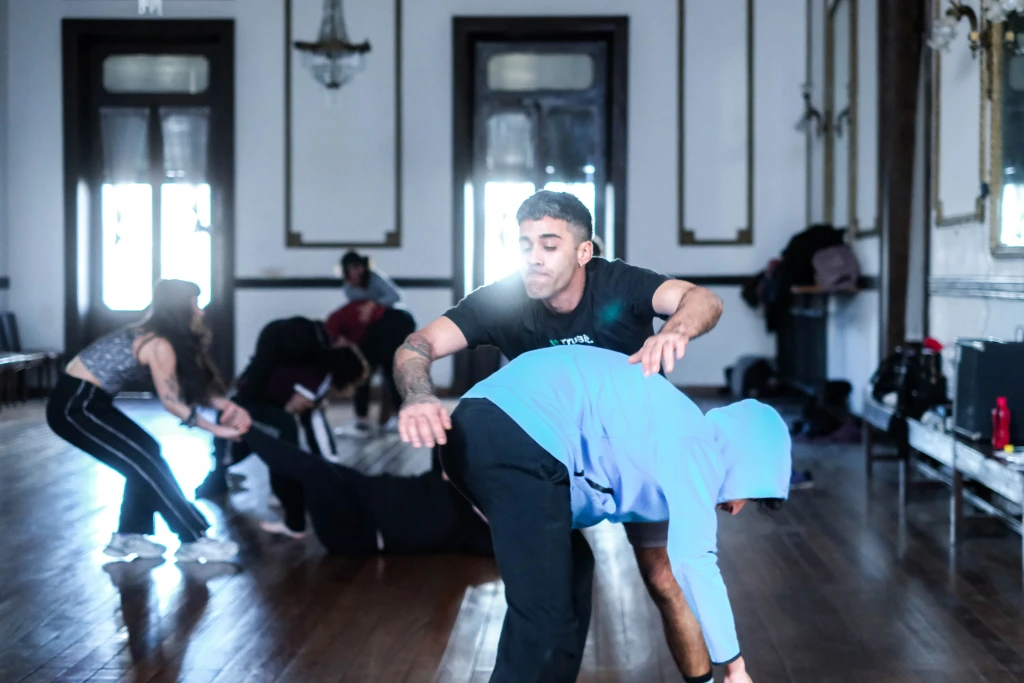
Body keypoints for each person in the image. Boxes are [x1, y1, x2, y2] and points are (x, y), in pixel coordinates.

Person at [394, 190, 725, 679]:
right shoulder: (503, 300)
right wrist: (420, 395)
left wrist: (675, 330)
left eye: (549, 244)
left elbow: (704, 299)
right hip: (556, 458)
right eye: (525, 243)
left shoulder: (618, 283)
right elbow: (416, 344)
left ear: (583, 251)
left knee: (663, 577)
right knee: (558, 579)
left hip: (634, 453)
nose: (534, 257)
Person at [439, 345, 791, 683]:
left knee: (573, 568)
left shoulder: (675, 431)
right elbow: (695, 562)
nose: (736, 509)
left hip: (487, 431)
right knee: (544, 612)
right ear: (746, 461)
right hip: (509, 431)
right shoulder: (694, 445)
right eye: (752, 494)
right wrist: (734, 668)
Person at [46, 279, 250, 563]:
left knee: (146, 454)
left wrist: (224, 405)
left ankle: (128, 536)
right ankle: (193, 539)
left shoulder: (158, 338)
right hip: (74, 408)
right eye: (195, 304)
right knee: (145, 462)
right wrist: (218, 430)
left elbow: (181, 390)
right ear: (181, 308)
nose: (201, 312)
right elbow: (171, 402)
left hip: (90, 402)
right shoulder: (158, 343)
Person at [194, 316, 368, 538]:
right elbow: (292, 408)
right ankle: (291, 499)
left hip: (248, 399)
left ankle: (288, 498)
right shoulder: (319, 376)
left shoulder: (310, 367)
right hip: (250, 404)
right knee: (278, 442)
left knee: (267, 441)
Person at [241, 426, 493, 556]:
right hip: (363, 489)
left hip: (359, 530)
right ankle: (295, 524)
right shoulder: (458, 486)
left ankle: (243, 431)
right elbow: (447, 436)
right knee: (315, 468)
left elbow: (515, 551)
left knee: (313, 472)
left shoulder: (473, 532)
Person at [325, 299, 416, 437]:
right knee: (390, 371)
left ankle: (361, 423)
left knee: (362, 372)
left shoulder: (330, 326)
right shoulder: (346, 325)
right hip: (404, 320)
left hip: (387, 322)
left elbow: (341, 346)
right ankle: (401, 420)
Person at [338, 250, 403, 307]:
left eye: (361, 266)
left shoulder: (374, 278)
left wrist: (375, 303)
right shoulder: (348, 289)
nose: (360, 270)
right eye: (355, 267)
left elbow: (395, 296)